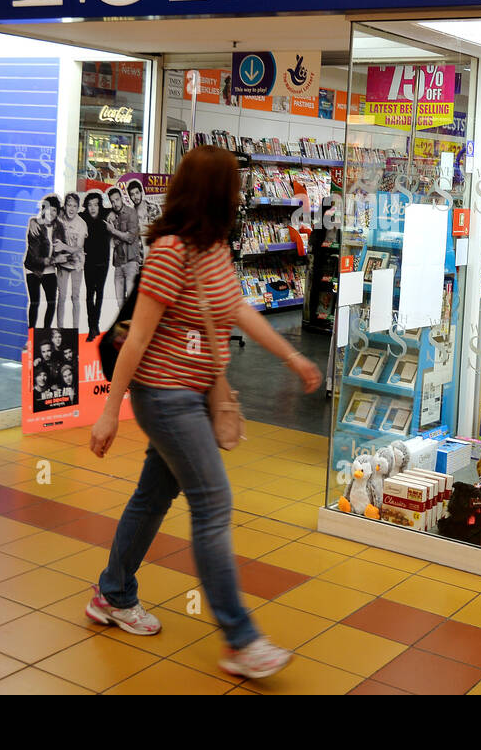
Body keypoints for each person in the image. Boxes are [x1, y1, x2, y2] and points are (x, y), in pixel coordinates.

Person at [87, 145, 322, 681]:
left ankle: (113, 592)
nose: (241, 192)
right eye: (234, 184)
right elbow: (137, 336)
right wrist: (107, 412)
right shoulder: (171, 250)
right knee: (214, 504)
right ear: (217, 191)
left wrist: (290, 356)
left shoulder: (213, 246)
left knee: (153, 495)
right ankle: (240, 640)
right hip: (166, 397)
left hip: (195, 394)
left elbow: (236, 308)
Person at [25, 195, 63, 329]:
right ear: (43, 210)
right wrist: (54, 259)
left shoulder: (59, 227)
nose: (51, 213)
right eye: (48, 209)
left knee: (52, 302)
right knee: (35, 302)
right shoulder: (36, 226)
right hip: (33, 269)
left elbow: (61, 248)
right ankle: (31, 332)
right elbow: (35, 258)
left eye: (54, 210)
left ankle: (45, 332)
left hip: (50, 270)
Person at [81, 192, 112, 340]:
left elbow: (117, 208)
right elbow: (66, 212)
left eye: (95, 204)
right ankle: (92, 327)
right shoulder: (83, 217)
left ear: (100, 206)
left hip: (103, 262)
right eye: (90, 205)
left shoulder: (106, 215)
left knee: (99, 293)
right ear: (86, 206)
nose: (93, 208)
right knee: (89, 294)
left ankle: (95, 325)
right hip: (89, 262)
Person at [55, 192, 88, 329]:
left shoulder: (81, 224)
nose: (71, 209)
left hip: (77, 264)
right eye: (69, 205)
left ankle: (75, 329)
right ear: (65, 206)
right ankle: (60, 329)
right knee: (61, 297)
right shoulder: (59, 219)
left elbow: (79, 248)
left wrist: (63, 246)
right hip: (62, 263)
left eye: (75, 206)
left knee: (75, 296)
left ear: (78, 208)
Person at [107, 187, 141, 310]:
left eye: (117, 199)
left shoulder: (131, 213)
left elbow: (131, 238)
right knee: (120, 305)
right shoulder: (111, 216)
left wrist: (113, 231)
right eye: (112, 201)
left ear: (122, 198)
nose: (115, 203)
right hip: (118, 264)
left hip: (131, 262)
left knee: (131, 304)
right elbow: (111, 242)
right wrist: (113, 238)